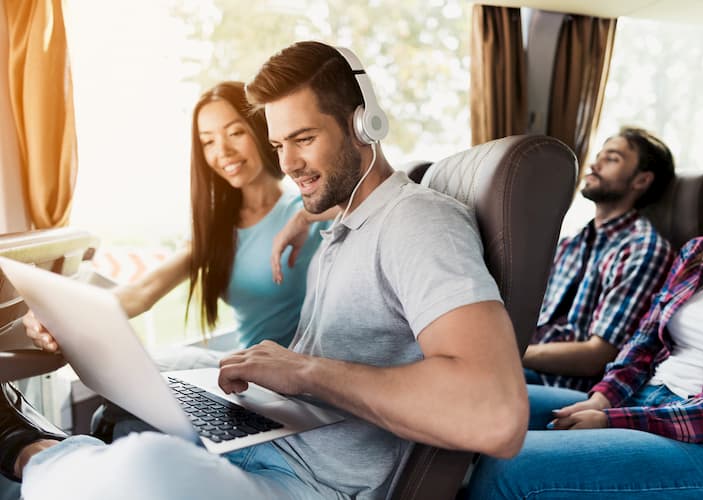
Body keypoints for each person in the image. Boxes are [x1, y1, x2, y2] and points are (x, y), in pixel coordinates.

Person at [1, 41, 528, 499]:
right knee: (150, 389)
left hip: (316, 486)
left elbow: (495, 415)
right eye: (279, 145)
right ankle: (62, 452)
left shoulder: (417, 222)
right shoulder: (344, 226)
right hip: (275, 444)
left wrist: (304, 371)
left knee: (144, 470)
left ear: (364, 123)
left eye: (303, 139)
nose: (289, 164)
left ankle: (28, 448)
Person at [467, 123, 703, 499]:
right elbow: (644, 342)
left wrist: (618, 419)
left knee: (510, 466)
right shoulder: (701, 255)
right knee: (472, 402)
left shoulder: (644, 247)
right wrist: (603, 398)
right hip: (645, 397)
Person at [24, 81, 327, 366]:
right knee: (118, 408)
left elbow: (360, 199)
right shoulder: (217, 227)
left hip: (300, 379)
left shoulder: (308, 208)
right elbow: (142, 292)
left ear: (262, 131)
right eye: (208, 141)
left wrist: (305, 216)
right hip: (248, 378)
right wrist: (59, 316)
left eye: (235, 133)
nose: (222, 152)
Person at [524, 127, 675, 391]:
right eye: (599, 156)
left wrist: (510, 355)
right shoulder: (572, 243)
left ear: (641, 180)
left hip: (563, 385)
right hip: (529, 364)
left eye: (612, 158)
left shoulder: (643, 250)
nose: (594, 165)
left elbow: (597, 356)